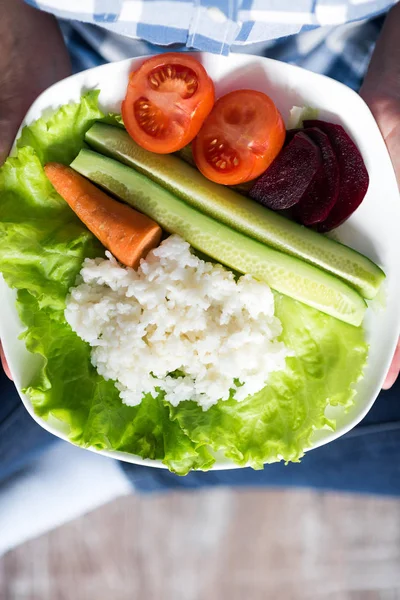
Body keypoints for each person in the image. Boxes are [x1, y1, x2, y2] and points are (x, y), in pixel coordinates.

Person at [1, 0, 399, 493]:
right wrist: (17, 56)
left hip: (343, 55)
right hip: (84, 52)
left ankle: (115, 478)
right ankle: (121, 478)